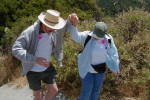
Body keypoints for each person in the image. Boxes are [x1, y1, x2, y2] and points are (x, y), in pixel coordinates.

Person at [12, 9, 77, 100]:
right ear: (43, 22)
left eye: (54, 27)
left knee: (54, 90)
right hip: (32, 70)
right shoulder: (30, 32)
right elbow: (15, 49)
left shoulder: (54, 30)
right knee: (38, 96)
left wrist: (71, 19)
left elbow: (65, 27)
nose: (53, 30)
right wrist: (35, 59)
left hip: (47, 68)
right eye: (50, 27)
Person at [68, 14, 120, 100]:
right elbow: (75, 37)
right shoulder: (87, 36)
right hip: (87, 69)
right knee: (86, 92)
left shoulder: (108, 39)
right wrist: (73, 25)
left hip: (100, 71)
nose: (97, 38)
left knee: (96, 91)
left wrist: (116, 68)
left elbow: (113, 53)